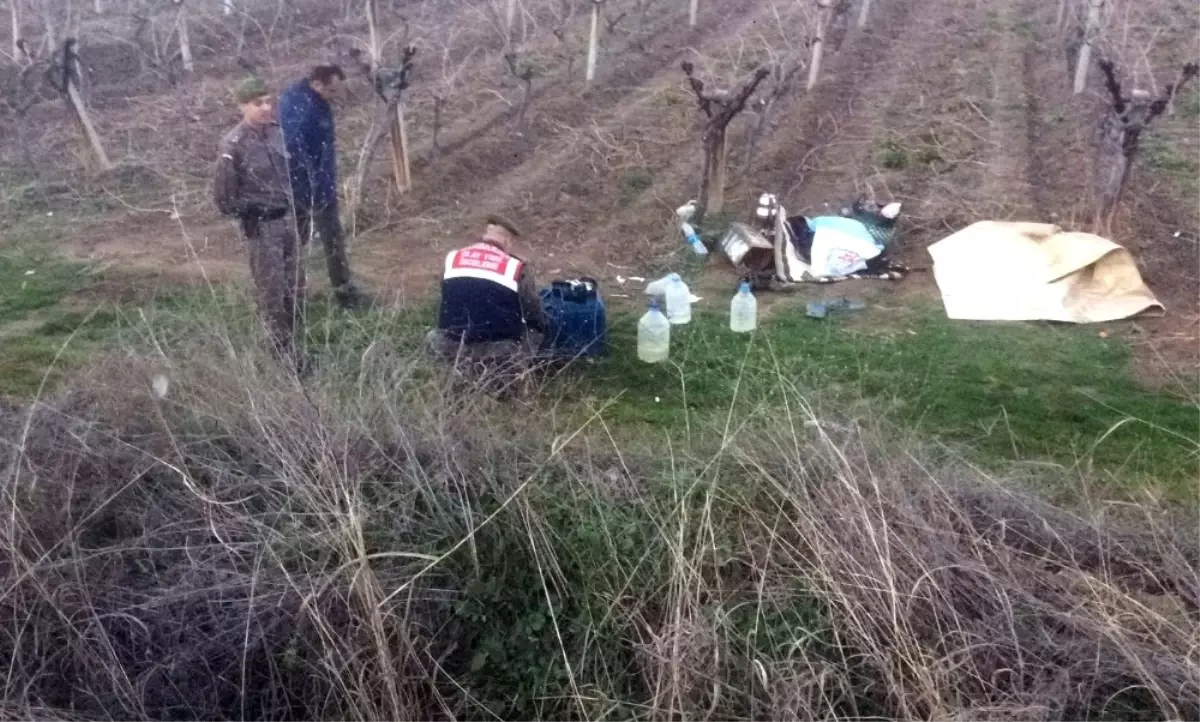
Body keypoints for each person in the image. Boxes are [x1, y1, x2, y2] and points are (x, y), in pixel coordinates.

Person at [213, 76, 310, 374]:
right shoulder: (233, 145)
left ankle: (296, 350)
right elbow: (224, 199)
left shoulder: (277, 134)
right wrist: (252, 211)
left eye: (269, 101)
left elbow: (290, 176)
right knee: (272, 294)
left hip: (288, 221)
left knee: (296, 290)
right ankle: (280, 360)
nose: (266, 108)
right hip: (262, 228)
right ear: (243, 106)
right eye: (258, 103)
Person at [277, 64, 370, 310]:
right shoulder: (305, 110)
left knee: (303, 241)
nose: (336, 95)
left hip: (313, 185)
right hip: (307, 189)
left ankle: (292, 291)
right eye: (332, 90)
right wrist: (314, 192)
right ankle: (339, 295)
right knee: (324, 240)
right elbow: (295, 152)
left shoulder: (305, 99)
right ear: (317, 84)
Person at [431, 216, 549, 384]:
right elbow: (533, 313)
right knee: (535, 331)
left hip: (451, 346)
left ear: (486, 235)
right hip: (498, 354)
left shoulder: (453, 258)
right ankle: (517, 379)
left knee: (435, 332)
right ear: (507, 240)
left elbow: (446, 295)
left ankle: (453, 376)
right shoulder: (515, 267)